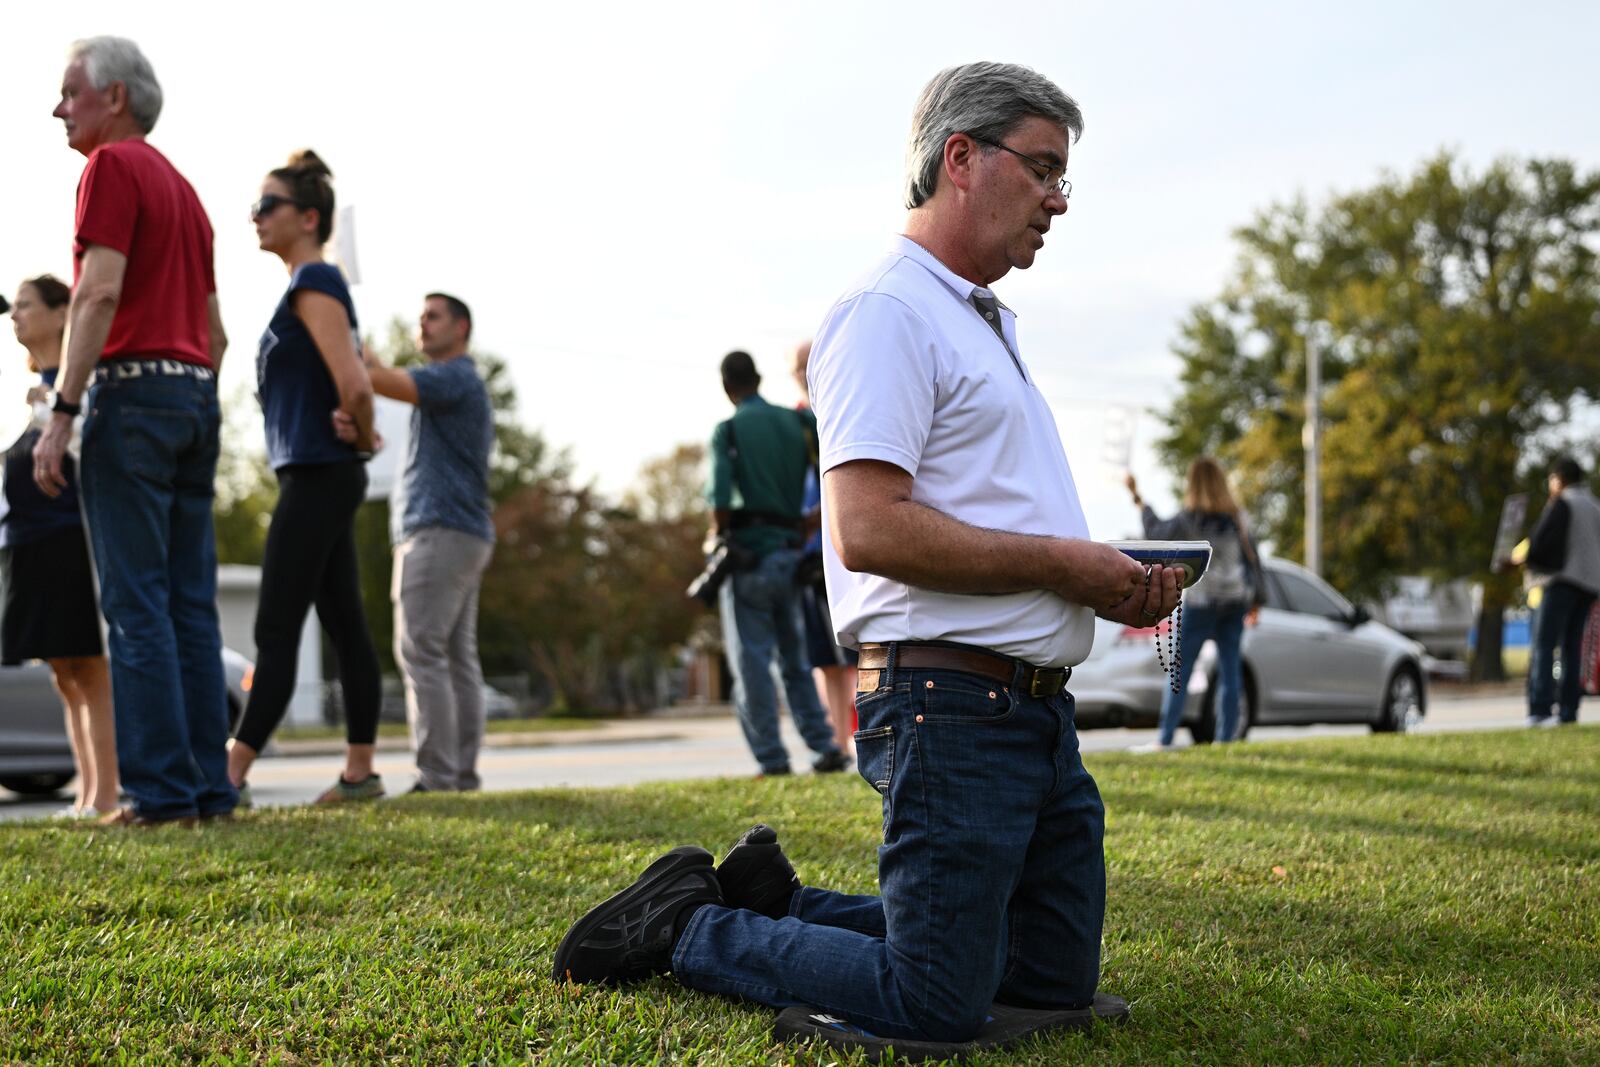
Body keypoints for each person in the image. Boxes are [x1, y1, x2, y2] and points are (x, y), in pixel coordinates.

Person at [553, 61, 1182, 1044]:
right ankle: (684, 925)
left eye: (1066, 177)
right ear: (960, 158)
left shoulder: (973, 317)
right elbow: (868, 527)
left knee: (1048, 985)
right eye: (1045, 169)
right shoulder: (888, 309)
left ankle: (774, 902)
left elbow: (982, 508)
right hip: (953, 705)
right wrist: (1065, 565)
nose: (1059, 200)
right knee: (937, 998)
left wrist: (1098, 571)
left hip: (1029, 712)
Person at [35, 36, 235, 827]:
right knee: (191, 604)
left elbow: (96, 295)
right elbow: (216, 333)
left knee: (136, 606)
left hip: (132, 395)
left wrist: (63, 410)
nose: (58, 107)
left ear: (114, 96)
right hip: (194, 397)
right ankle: (206, 789)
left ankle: (157, 796)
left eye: (70, 91)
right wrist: (192, 399)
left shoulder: (110, 169)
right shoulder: (186, 191)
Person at [225, 151, 385, 803]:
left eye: (268, 205)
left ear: (308, 216)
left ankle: (229, 772)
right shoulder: (305, 282)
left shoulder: (316, 279)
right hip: (317, 470)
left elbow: (354, 381)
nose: (255, 217)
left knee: (276, 622)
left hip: (320, 472)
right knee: (345, 621)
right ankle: (359, 774)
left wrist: (365, 429)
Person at [348, 294, 494, 793]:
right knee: (454, 656)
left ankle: (437, 777)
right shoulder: (449, 385)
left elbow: (379, 378)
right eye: (421, 318)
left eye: (434, 317)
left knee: (422, 651)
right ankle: (459, 776)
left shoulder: (452, 377)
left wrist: (350, 336)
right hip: (462, 532)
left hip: (437, 531)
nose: (423, 325)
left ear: (462, 326)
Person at [2, 275, 118, 817]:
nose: (15, 315)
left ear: (58, 313)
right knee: (62, 674)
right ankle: (86, 794)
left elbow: (89, 448)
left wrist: (54, 404)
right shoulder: (35, 393)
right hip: (30, 550)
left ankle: (106, 792)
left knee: (90, 669)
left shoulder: (76, 383)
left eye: (25, 305)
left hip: (70, 541)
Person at [704, 350, 848, 778]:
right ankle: (824, 749)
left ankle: (772, 759)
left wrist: (716, 538)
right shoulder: (797, 423)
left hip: (748, 557)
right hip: (791, 554)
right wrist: (807, 524)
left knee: (752, 665)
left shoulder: (728, 430)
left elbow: (719, 500)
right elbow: (834, 473)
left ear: (727, 387)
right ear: (760, 378)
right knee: (795, 660)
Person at [1124, 459, 1262, 749]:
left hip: (1202, 601)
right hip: (1236, 599)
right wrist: (1257, 599)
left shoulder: (1191, 518)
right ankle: (1225, 740)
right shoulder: (1238, 516)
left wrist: (1138, 498)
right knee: (1230, 670)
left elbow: (1156, 533)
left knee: (1180, 669)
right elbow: (1253, 558)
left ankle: (1165, 737)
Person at [790, 339, 858, 753]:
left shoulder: (839, 410)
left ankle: (852, 735)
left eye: (806, 365)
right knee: (823, 657)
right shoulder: (793, 425)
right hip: (806, 557)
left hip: (842, 551)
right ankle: (836, 736)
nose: (802, 374)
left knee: (850, 655)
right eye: (796, 368)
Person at [1522, 457, 1600, 726]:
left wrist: (1524, 562)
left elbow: (1539, 543)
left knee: (1544, 644)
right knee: (1572, 648)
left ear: (1558, 479)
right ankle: (1568, 712)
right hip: (1590, 585)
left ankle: (1540, 709)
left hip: (1563, 580)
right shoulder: (1593, 505)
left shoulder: (1562, 503)